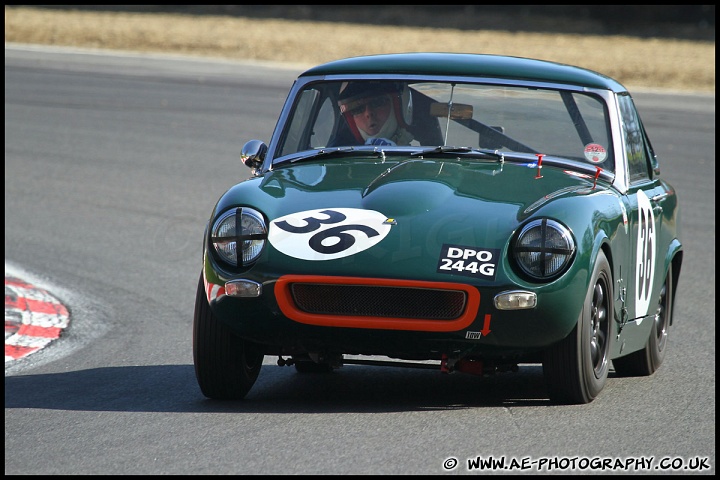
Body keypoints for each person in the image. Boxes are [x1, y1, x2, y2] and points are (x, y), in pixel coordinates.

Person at [334, 81, 414, 146]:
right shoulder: (336, 156)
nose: (368, 113)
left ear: (398, 106)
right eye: (357, 109)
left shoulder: (421, 155)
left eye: (378, 103)